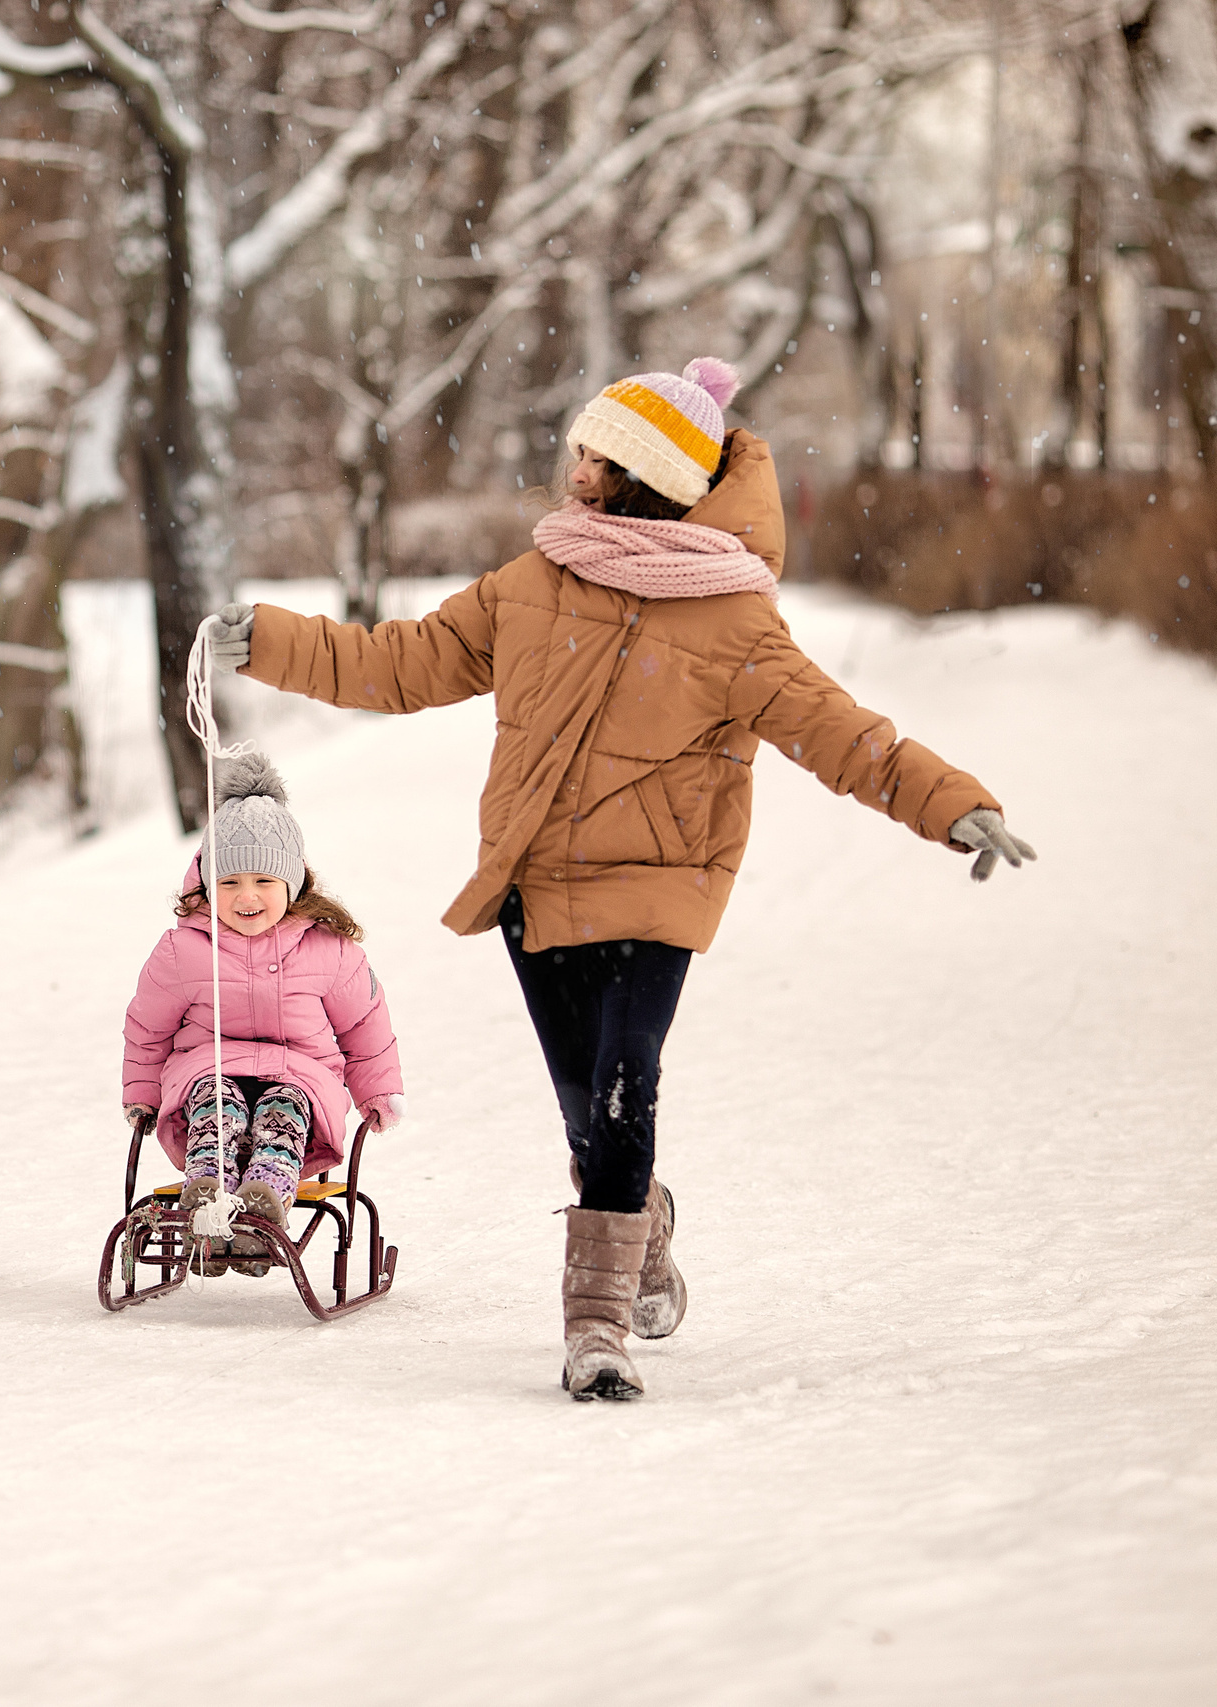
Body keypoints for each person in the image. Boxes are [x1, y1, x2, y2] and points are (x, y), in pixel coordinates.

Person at [207, 358, 1036, 1400]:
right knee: (581, 1109)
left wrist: (948, 801)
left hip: (660, 883)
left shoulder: (734, 621)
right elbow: (402, 662)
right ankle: (641, 1222)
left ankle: (593, 1330)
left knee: (621, 1079)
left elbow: (843, 735)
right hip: (535, 882)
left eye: (593, 450)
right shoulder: (534, 581)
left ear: (639, 471)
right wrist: (273, 643)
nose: (574, 462)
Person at [122, 753, 403, 1275]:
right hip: (209, 1074)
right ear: (207, 886)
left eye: (263, 882)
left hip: (301, 1082)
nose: (246, 897)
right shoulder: (183, 952)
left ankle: (261, 1212)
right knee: (218, 1105)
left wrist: (377, 1091)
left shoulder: (329, 950)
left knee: (284, 1107)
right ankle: (206, 1204)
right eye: (228, 883)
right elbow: (147, 1029)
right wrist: (141, 1095)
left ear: (293, 883)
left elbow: (365, 1027)